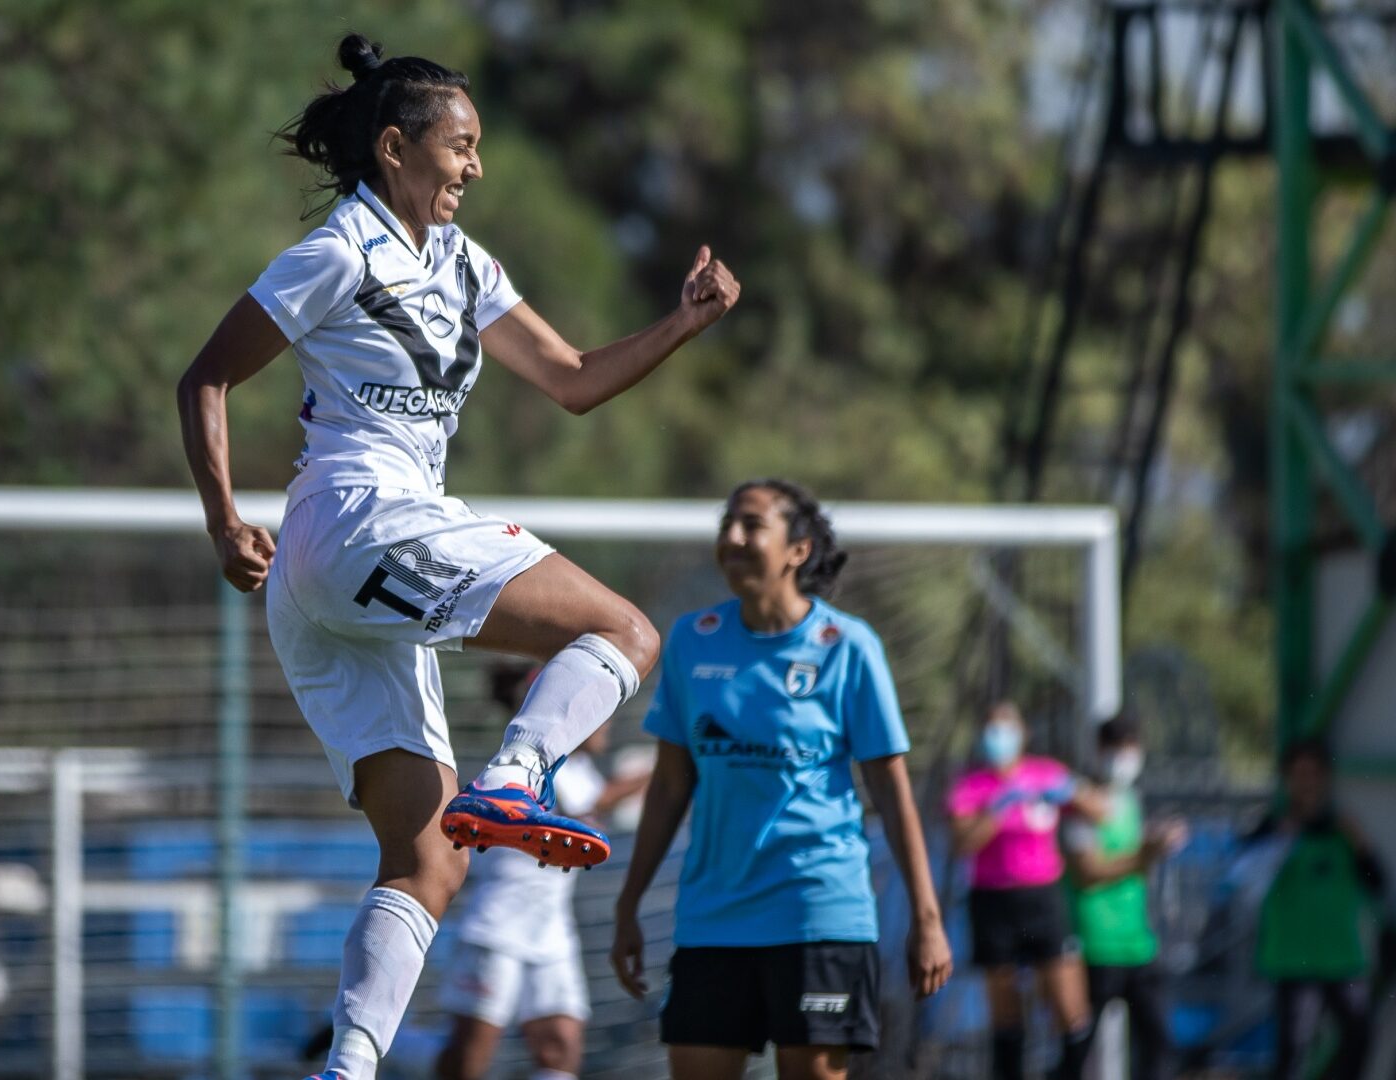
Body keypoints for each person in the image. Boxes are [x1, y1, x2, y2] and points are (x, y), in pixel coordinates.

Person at [175, 33, 741, 1080]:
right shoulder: (339, 251)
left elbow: (571, 377)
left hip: (329, 573)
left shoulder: (465, 264)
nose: (475, 167)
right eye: (461, 146)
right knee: (623, 630)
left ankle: (345, 1070)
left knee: (429, 860)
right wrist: (220, 520)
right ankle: (518, 775)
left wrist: (683, 323)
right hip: (361, 519)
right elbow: (205, 377)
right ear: (394, 149)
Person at [609, 480, 953, 1080]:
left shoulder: (848, 647)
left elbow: (892, 795)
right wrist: (629, 904)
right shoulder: (693, 639)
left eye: (751, 524)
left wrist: (926, 918)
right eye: (726, 524)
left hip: (819, 910)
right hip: (714, 913)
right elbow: (668, 787)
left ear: (798, 549)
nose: (732, 538)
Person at [435, 664, 649, 1080]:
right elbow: (597, 801)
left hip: (551, 930)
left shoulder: (580, 768)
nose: (606, 723)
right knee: (469, 1056)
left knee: (561, 1047)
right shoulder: (532, 766)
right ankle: (393, 1045)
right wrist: (663, 769)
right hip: (499, 925)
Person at [947, 702, 1106, 1080]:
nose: (997, 738)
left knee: (1070, 1007)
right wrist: (998, 807)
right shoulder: (972, 785)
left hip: (1042, 899)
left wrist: (1072, 791)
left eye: (1005, 728)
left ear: (1023, 734)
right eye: (990, 729)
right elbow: (963, 843)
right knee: (1005, 1009)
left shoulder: (1045, 773)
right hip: (993, 901)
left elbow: (1101, 810)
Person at [1247, 739, 1385, 1080]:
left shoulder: (1343, 831)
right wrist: (1277, 842)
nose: (1307, 782)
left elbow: (1377, 885)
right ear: (1287, 779)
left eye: (1314, 774)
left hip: (1342, 958)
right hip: (1294, 960)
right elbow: (1242, 882)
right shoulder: (1272, 829)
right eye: (1299, 774)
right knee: (1294, 1048)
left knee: (1360, 1036)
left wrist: (1362, 846)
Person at [1062, 714, 1188, 1080]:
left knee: (1159, 1043)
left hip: (1138, 944)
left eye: (1131, 749)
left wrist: (1157, 844)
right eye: (1117, 749)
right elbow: (1087, 872)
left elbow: (1135, 863)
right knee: (1076, 1051)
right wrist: (1146, 852)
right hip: (1095, 944)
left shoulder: (1130, 800)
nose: (1124, 759)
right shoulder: (1083, 805)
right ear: (1101, 751)